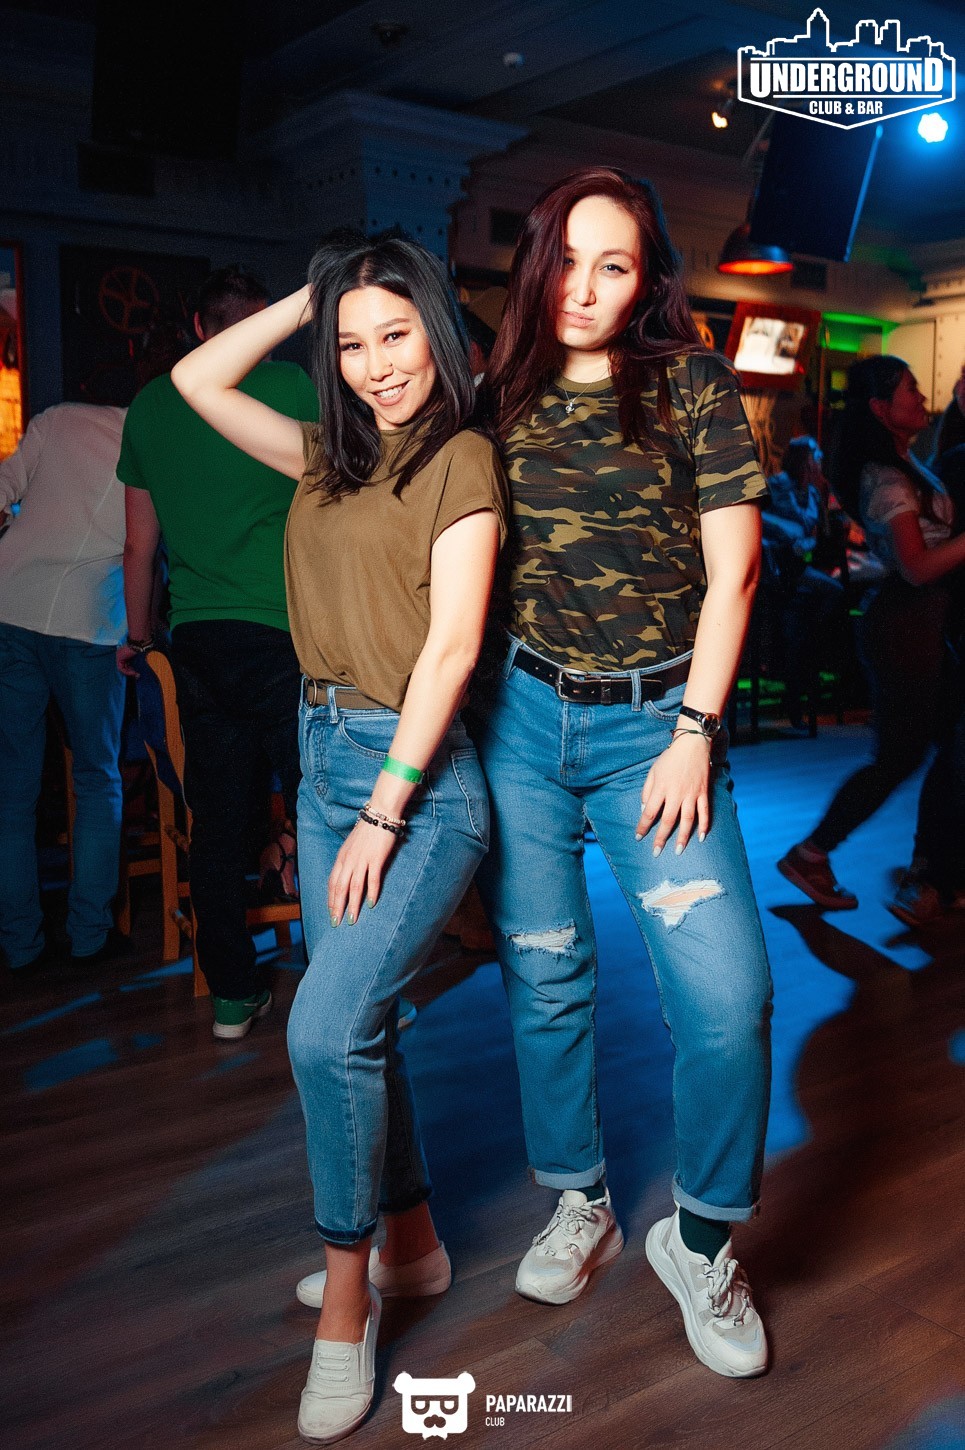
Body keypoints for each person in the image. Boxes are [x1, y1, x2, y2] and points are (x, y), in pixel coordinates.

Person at [171, 233, 506, 1441]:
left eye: (395, 334)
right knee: (361, 1025)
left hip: (416, 779)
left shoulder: (463, 458)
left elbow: (451, 650)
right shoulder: (322, 456)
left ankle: (350, 1298)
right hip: (320, 761)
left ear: (437, 332)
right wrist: (310, 297)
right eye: (351, 344)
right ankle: (411, 1244)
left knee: (320, 1028)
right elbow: (195, 381)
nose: (375, 365)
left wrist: (384, 806)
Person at [473, 167, 773, 1379]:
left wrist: (695, 729)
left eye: (614, 264)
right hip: (518, 717)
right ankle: (580, 1199)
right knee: (545, 976)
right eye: (567, 259)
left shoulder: (689, 383)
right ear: (535, 262)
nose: (584, 287)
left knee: (727, 997)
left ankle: (698, 1240)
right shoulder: (495, 393)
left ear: (646, 278)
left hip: (658, 723)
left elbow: (735, 569)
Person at [117, 266, 319, 1038]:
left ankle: (232, 996)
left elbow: (139, 549)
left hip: (199, 640)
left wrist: (138, 640)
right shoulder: (291, 388)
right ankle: (342, 990)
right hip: (287, 634)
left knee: (217, 822)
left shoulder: (151, 403)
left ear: (200, 328)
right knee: (319, 810)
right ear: (260, 325)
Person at [779, 356, 965, 925]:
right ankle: (815, 854)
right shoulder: (886, 479)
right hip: (905, 626)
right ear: (882, 408)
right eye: (911, 389)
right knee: (899, 758)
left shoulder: (905, 464)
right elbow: (916, 566)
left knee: (938, 749)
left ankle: (931, 870)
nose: (922, 397)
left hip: (921, 624)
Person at [0, 401, 129, 971]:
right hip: (90, 620)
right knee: (97, 778)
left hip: (12, 605)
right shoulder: (154, 438)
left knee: (13, 790)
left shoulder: (58, 419)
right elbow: (145, 547)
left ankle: (20, 944)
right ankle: (89, 937)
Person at [763, 436, 845, 733]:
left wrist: (805, 541)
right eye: (816, 457)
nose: (820, 462)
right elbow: (757, 517)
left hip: (798, 568)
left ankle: (802, 656)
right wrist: (791, 531)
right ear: (804, 459)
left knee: (826, 598)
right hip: (777, 569)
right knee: (829, 593)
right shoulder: (777, 484)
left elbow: (813, 536)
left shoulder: (811, 492)